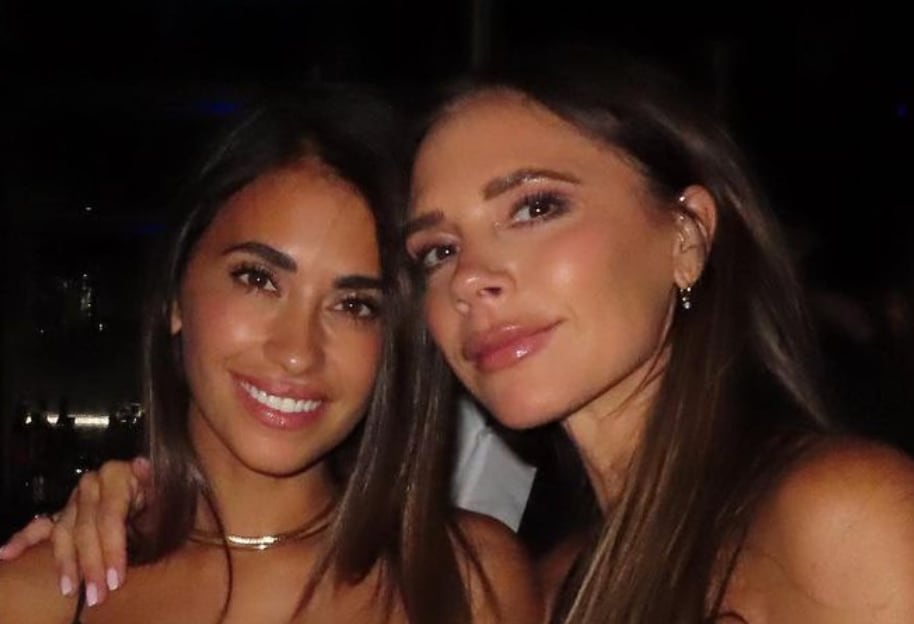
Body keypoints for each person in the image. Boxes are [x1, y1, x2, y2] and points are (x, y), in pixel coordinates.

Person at [8, 46, 914, 622]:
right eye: (438, 250)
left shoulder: (842, 514)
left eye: (536, 207)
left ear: (686, 236)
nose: (473, 275)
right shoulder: (555, 585)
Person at [0, 86, 539, 623]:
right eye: (257, 279)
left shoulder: (469, 579)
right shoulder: (38, 594)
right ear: (175, 297)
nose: (297, 353)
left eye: (354, 305)